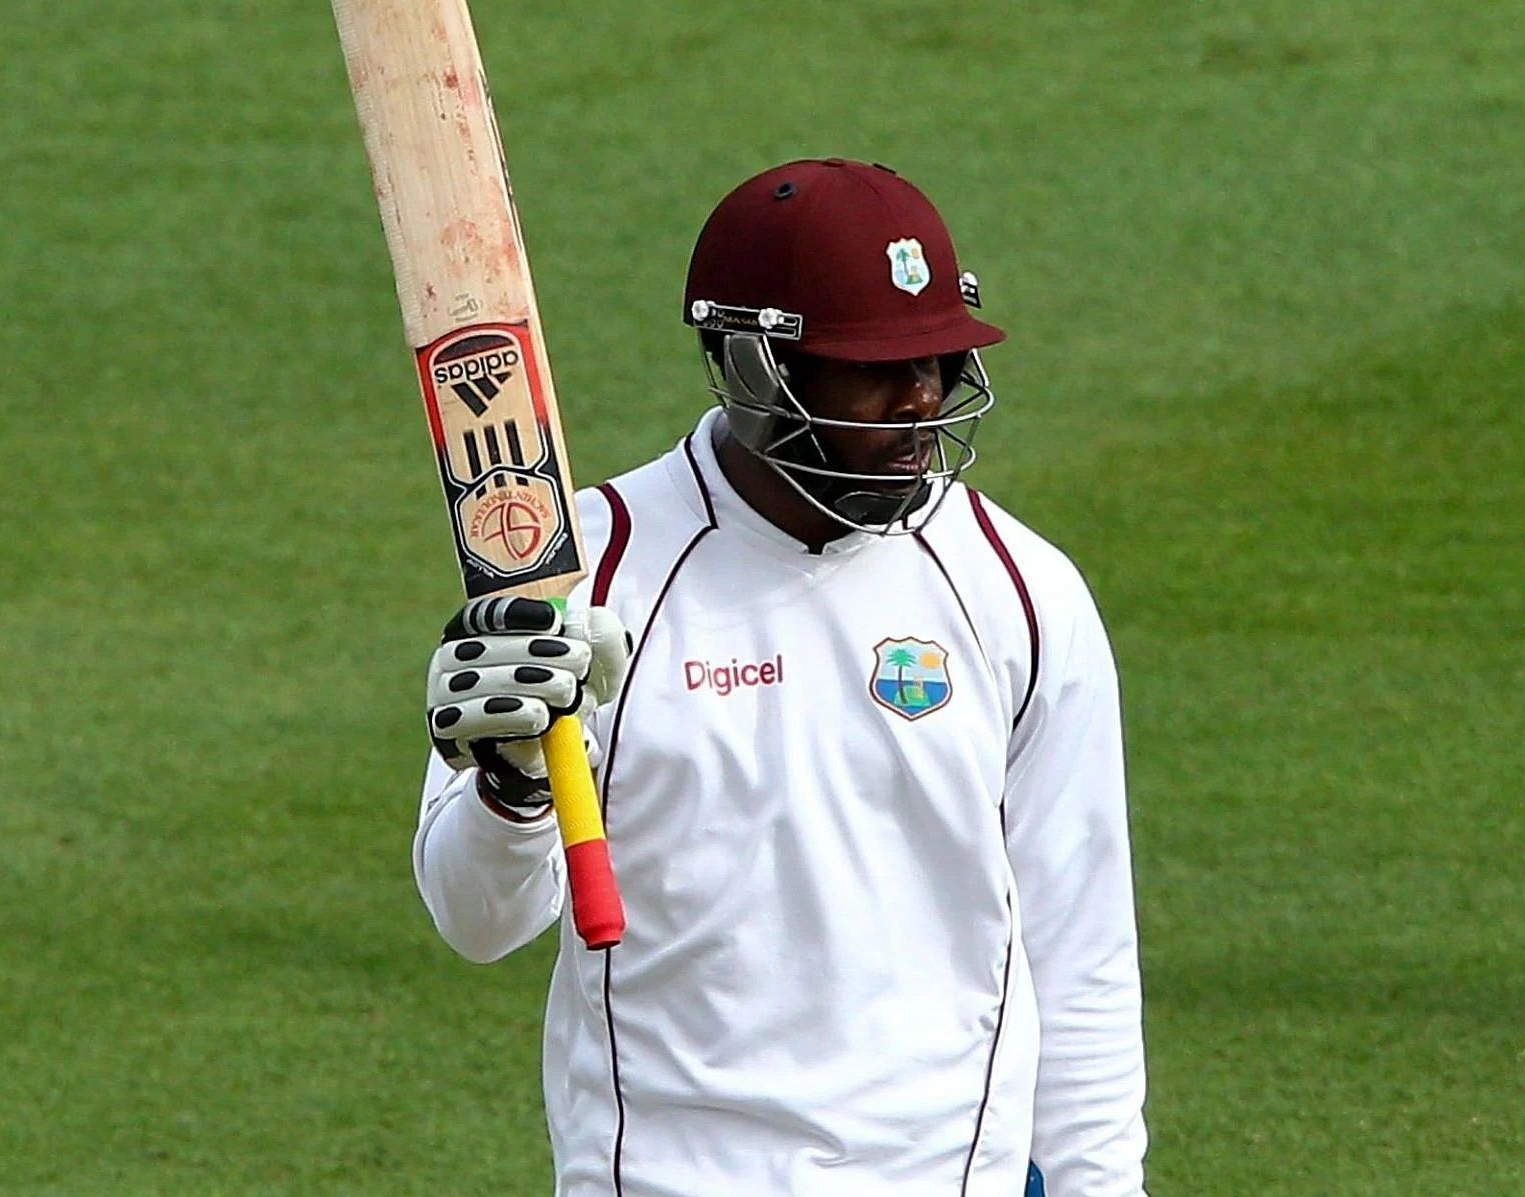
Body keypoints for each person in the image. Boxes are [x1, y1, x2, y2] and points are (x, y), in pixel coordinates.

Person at [414, 158, 1148, 1197]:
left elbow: (1083, 953)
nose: (923, 399)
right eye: (874, 368)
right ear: (754, 369)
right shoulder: (578, 580)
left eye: (936, 358)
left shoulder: (1018, 591)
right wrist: (511, 787)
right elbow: (476, 920)